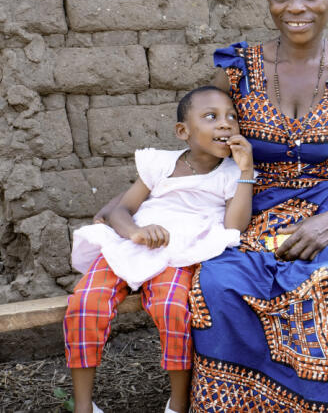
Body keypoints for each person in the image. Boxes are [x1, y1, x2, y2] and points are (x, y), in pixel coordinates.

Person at [98, 0, 328, 412]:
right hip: (247, 210)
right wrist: (141, 201)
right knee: (217, 286)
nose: (296, 7)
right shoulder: (238, 69)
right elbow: (204, 147)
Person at [65, 86, 255, 413]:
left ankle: (177, 405)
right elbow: (119, 211)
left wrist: (247, 171)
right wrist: (136, 232)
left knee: (174, 311)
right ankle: (84, 406)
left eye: (232, 118)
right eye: (211, 117)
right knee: (85, 303)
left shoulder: (232, 174)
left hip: (179, 253)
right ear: (183, 131)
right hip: (130, 245)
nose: (226, 125)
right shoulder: (160, 164)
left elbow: (234, 227)